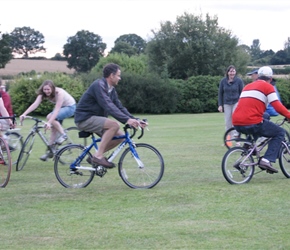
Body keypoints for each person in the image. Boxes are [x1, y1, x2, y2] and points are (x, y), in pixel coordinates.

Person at [74, 63, 147, 169]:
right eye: (118, 75)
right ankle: (99, 156)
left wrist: (135, 120)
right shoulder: (98, 85)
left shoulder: (111, 90)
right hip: (84, 118)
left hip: (95, 119)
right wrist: (126, 120)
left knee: (120, 137)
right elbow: (108, 105)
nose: (120, 78)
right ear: (112, 75)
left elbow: (119, 107)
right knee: (114, 125)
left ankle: (95, 156)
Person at [232, 66, 290, 173]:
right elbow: (277, 106)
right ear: (270, 79)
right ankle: (266, 160)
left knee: (265, 117)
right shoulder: (268, 87)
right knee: (279, 132)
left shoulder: (247, 86)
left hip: (236, 122)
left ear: (258, 76)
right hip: (251, 122)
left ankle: (249, 146)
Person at [20, 80, 76, 161]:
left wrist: (49, 122)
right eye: (45, 89)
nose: (46, 91)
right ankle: (50, 151)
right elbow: (35, 104)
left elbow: (57, 109)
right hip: (61, 108)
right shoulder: (42, 94)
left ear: (52, 88)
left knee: (49, 117)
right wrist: (24, 114)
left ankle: (64, 135)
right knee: (53, 130)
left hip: (70, 107)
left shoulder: (60, 93)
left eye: (48, 89)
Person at [218, 65, 244, 133]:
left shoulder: (239, 81)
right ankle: (228, 140)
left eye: (233, 71)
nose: (232, 73)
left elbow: (242, 93)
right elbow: (220, 93)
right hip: (227, 103)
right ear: (228, 72)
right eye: (230, 71)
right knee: (228, 122)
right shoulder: (223, 81)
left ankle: (237, 140)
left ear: (235, 72)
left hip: (236, 102)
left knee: (235, 121)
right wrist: (220, 105)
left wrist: (242, 104)